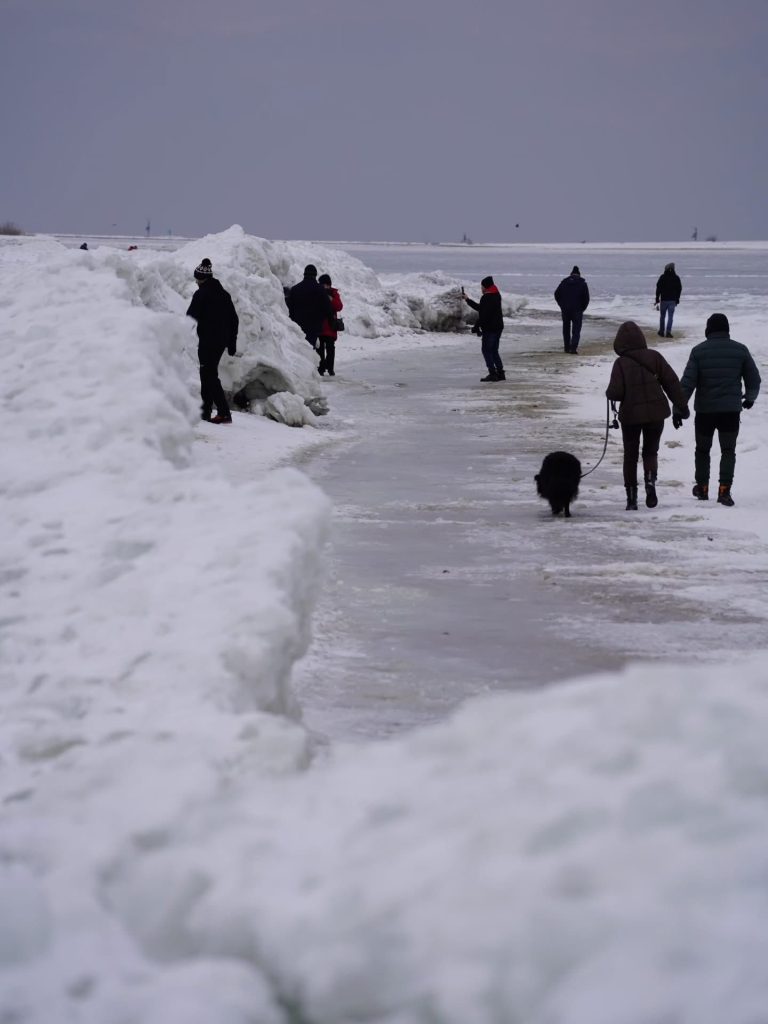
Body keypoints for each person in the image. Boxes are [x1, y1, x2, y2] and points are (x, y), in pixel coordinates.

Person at [605, 321, 690, 510]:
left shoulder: (620, 363)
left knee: (630, 455)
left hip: (631, 417)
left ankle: (632, 499)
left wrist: (609, 393)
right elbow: (671, 382)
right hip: (656, 414)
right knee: (650, 452)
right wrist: (682, 407)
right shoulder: (655, 357)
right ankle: (650, 484)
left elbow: (616, 393)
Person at [679, 313, 761, 506]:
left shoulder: (698, 351)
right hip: (730, 412)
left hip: (705, 412)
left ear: (708, 329)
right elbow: (754, 380)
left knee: (702, 450)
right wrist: (749, 399)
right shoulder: (740, 350)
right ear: (727, 330)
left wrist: (678, 408)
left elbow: (687, 384)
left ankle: (702, 488)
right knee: (728, 450)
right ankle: (724, 490)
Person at [186, 257, 239, 424]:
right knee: (207, 372)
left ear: (201, 278)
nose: (196, 281)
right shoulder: (224, 294)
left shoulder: (201, 294)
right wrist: (231, 343)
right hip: (220, 341)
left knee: (208, 374)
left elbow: (190, 318)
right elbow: (234, 320)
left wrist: (180, 336)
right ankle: (205, 410)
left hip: (208, 341)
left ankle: (223, 413)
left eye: (196, 278)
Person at [461, 276, 505, 382]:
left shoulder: (486, 297)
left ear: (485, 287)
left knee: (486, 350)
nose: (481, 288)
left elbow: (483, 314)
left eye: (482, 286)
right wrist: (467, 299)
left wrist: (476, 328)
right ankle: (500, 373)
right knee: (494, 350)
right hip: (498, 327)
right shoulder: (496, 295)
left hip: (490, 328)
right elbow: (482, 309)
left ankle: (492, 373)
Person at [287, 264, 333, 352]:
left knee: (298, 349)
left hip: (298, 325)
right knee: (310, 349)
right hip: (314, 326)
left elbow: (289, 308)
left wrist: (292, 321)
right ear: (315, 275)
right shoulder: (320, 289)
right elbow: (327, 308)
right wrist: (331, 321)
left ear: (304, 274)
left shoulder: (295, 289)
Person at [554, 266, 589, 353]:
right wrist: (582, 308)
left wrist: (561, 305)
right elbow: (586, 298)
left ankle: (566, 347)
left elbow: (556, 294)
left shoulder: (564, 282)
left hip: (565, 309)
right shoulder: (582, 283)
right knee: (576, 329)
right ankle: (573, 348)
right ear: (579, 275)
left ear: (571, 274)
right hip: (577, 309)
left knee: (566, 328)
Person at [317, 273, 343, 376]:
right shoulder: (318, 293)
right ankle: (321, 368)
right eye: (322, 285)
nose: (324, 287)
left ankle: (330, 368)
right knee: (320, 349)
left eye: (325, 285)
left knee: (330, 348)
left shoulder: (334, 293)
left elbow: (339, 306)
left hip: (330, 326)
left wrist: (330, 298)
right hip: (320, 326)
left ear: (329, 285)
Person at [654, 262, 682, 338]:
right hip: (672, 300)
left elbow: (658, 288)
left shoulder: (662, 277)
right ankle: (668, 332)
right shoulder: (676, 278)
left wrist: (657, 298)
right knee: (670, 317)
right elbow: (679, 289)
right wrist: (677, 298)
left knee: (662, 316)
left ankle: (661, 331)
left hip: (663, 300)